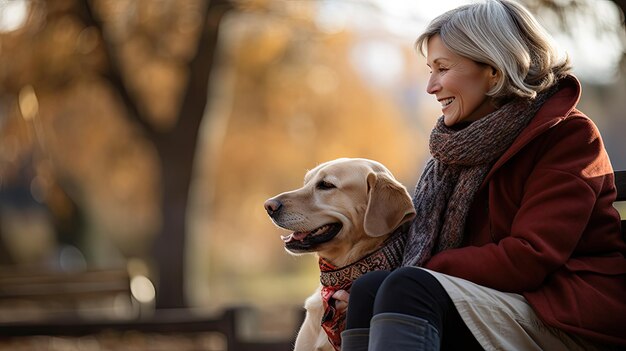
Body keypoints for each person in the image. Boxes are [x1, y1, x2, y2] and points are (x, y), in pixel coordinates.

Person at [338, 0, 626, 350]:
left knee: (407, 287)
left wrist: (426, 267)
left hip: (564, 311)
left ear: (493, 70)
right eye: (430, 70)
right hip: (498, 298)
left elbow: (530, 256)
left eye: (442, 69)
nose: (431, 86)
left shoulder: (568, 136)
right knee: (370, 288)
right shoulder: (458, 146)